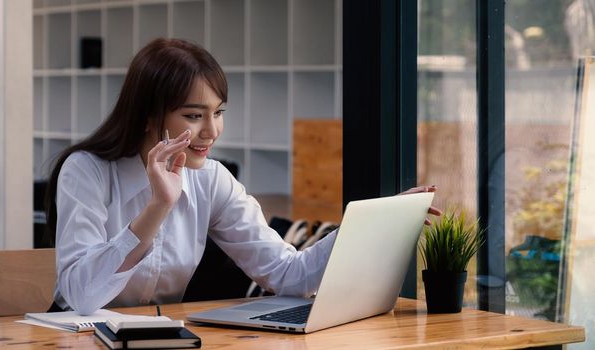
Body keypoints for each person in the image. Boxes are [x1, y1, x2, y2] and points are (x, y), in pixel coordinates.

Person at [46, 38, 439, 315]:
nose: (212, 131)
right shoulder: (87, 171)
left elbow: (288, 274)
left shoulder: (212, 180)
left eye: (218, 113)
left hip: (158, 336)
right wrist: (158, 205)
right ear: (149, 117)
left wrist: (369, 225)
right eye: (193, 115)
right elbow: (82, 297)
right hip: (72, 338)